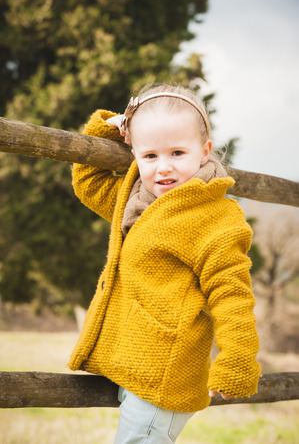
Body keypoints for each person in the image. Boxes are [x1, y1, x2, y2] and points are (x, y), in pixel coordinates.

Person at [68, 84, 261, 443]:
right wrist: (106, 126)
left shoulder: (215, 216)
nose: (164, 167)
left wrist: (238, 358)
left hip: (165, 375)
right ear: (135, 154)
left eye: (177, 152)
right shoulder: (137, 201)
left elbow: (232, 294)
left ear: (204, 151)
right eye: (150, 156)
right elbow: (89, 182)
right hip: (136, 366)